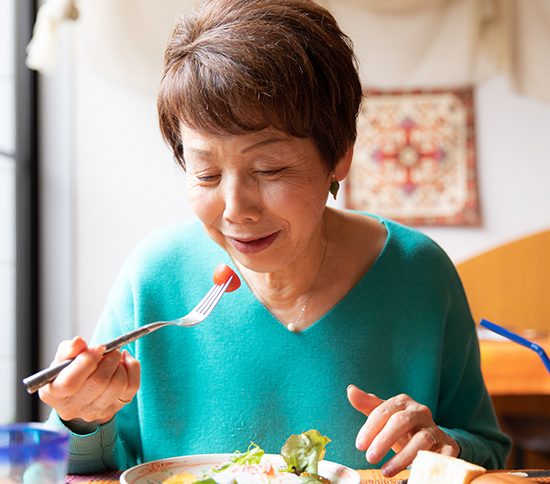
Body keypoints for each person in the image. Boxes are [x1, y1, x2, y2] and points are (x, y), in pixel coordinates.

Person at [39, 0, 511, 476]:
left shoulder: (418, 273)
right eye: (205, 174)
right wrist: (81, 417)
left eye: (270, 169)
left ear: (339, 156)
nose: (235, 208)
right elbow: (77, 467)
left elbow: (489, 451)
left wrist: (441, 443)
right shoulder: (155, 277)